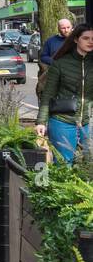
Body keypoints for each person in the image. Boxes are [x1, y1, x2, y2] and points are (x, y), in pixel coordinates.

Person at [36, 23, 93, 163]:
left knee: (88, 165)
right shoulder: (60, 63)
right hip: (62, 121)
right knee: (63, 164)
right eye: (86, 38)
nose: (91, 42)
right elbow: (48, 94)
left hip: (86, 122)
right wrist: (41, 121)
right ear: (75, 40)